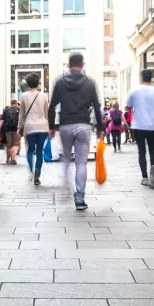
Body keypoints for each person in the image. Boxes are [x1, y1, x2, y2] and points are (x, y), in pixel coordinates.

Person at [48, 53, 103, 210]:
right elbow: (97, 107)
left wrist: (51, 127)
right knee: (81, 163)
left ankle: (66, 187)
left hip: (65, 126)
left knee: (66, 158)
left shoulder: (60, 82)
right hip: (83, 126)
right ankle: (80, 198)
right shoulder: (90, 83)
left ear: (68, 64)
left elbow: (52, 106)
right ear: (83, 64)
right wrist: (100, 128)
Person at [126, 70, 154, 188]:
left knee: (141, 151)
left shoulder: (134, 91)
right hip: (152, 126)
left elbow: (128, 107)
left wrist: (133, 109)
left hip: (138, 125)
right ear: (151, 78)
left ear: (141, 77)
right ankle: (153, 166)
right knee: (153, 149)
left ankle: (145, 177)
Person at [18, 73, 49, 185]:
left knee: (30, 150)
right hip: (42, 126)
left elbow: (21, 114)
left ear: (27, 83)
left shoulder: (24, 96)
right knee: (40, 150)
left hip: (29, 126)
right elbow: (46, 112)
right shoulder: (43, 95)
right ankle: (37, 175)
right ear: (38, 83)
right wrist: (50, 127)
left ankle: (31, 170)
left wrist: (19, 127)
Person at [0, 100, 21, 165]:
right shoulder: (19, 110)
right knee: (16, 144)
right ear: (16, 103)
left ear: (11, 104)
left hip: (7, 129)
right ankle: (13, 158)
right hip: (17, 129)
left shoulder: (6, 110)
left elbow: (2, 120)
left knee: (8, 145)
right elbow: (22, 119)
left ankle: (7, 159)